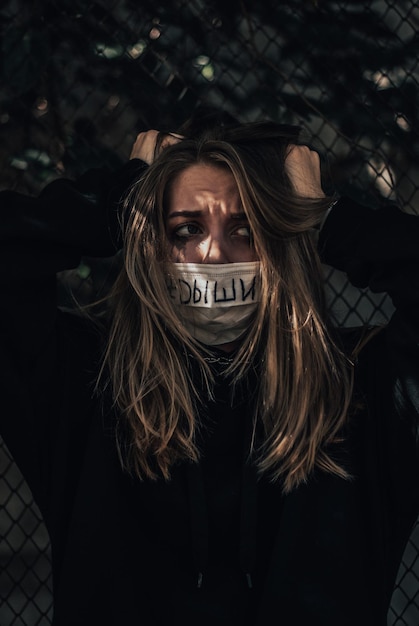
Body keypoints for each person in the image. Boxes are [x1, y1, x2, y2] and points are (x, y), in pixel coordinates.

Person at [1, 113, 419, 626]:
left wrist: (325, 215)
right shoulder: (84, 381)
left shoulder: (359, 387)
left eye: (245, 229)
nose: (216, 254)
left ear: (282, 243)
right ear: (150, 245)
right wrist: (119, 198)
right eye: (186, 229)